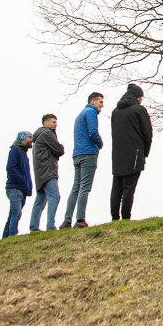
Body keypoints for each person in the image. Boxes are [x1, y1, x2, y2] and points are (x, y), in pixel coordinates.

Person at [60, 91, 104, 229]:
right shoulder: (91, 112)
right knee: (85, 187)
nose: (102, 105)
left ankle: (67, 221)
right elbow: (93, 132)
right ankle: (80, 220)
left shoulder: (80, 114)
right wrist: (100, 144)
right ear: (92, 102)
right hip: (88, 153)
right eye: (100, 102)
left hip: (77, 154)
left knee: (76, 188)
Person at [110, 83, 153, 220]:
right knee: (129, 187)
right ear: (138, 97)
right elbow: (148, 134)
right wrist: (145, 153)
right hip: (134, 153)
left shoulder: (115, 111)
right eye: (141, 97)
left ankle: (115, 218)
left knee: (117, 187)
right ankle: (126, 217)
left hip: (117, 155)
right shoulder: (139, 110)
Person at [29, 114, 65, 232]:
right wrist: (61, 147)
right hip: (48, 171)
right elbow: (59, 150)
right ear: (45, 123)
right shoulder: (47, 133)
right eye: (53, 122)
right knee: (55, 196)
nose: (56, 124)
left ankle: (34, 227)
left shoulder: (38, 137)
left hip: (40, 173)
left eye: (56, 122)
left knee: (40, 200)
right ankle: (50, 226)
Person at [3, 131, 33, 238]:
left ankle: (5, 240)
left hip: (22, 189)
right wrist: (22, 181)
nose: (32, 140)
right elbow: (10, 167)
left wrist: (28, 187)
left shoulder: (24, 154)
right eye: (30, 137)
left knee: (12, 214)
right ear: (23, 138)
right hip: (14, 188)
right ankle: (13, 236)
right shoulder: (15, 150)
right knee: (17, 212)